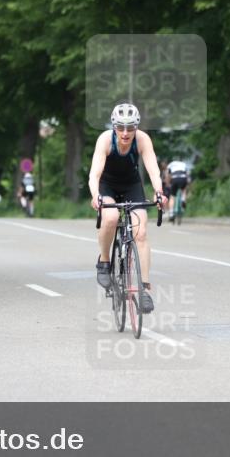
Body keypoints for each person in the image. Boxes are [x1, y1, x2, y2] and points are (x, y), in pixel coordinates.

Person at [88, 102, 164, 314]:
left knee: (141, 232)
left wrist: (159, 192)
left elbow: (153, 170)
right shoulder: (105, 140)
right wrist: (96, 196)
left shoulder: (142, 139)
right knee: (111, 217)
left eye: (130, 127)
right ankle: (104, 261)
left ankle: (144, 290)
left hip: (131, 185)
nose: (125, 132)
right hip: (107, 185)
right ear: (114, 126)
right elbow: (94, 175)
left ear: (136, 127)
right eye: (120, 127)